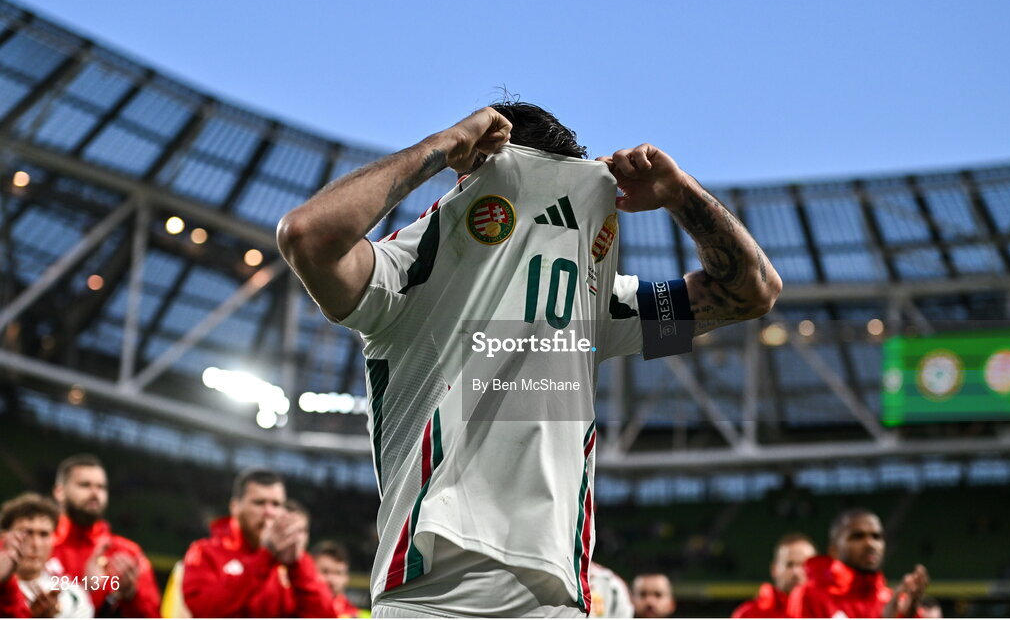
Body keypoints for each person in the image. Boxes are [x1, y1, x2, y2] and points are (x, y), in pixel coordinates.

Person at [278, 102, 781, 617]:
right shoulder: (411, 270)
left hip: (545, 595)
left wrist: (680, 192)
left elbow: (754, 293)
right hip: (431, 594)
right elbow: (307, 235)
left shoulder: (598, 303)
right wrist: (448, 141)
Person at [180, 468, 334, 617]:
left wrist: (296, 565)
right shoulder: (206, 552)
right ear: (235, 507)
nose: (269, 513)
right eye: (259, 503)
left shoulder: (296, 562)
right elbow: (203, 611)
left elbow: (324, 615)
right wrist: (264, 557)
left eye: (276, 504)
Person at [50, 454, 160, 617]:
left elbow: (153, 615)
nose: (95, 493)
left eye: (101, 487)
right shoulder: (37, 545)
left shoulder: (127, 553)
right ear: (59, 492)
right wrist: (87, 589)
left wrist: (131, 596)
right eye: (85, 485)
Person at [787, 508, 930, 618]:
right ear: (834, 551)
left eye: (877, 536)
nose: (870, 544)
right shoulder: (810, 596)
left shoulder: (895, 602)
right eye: (857, 537)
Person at [0, 492, 93, 618]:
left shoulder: (74, 596)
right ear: (5, 537)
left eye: (43, 534)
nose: (35, 544)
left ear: (53, 539)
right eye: (26, 533)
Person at [732, 533, 816, 618]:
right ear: (774, 569)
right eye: (789, 565)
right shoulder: (749, 614)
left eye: (804, 565)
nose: (796, 572)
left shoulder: (827, 612)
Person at [311, 540, 361, 618]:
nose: (331, 579)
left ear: (346, 578)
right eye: (325, 571)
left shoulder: (357, 616)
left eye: (338, 573)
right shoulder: (294, 609)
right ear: (310, 572)